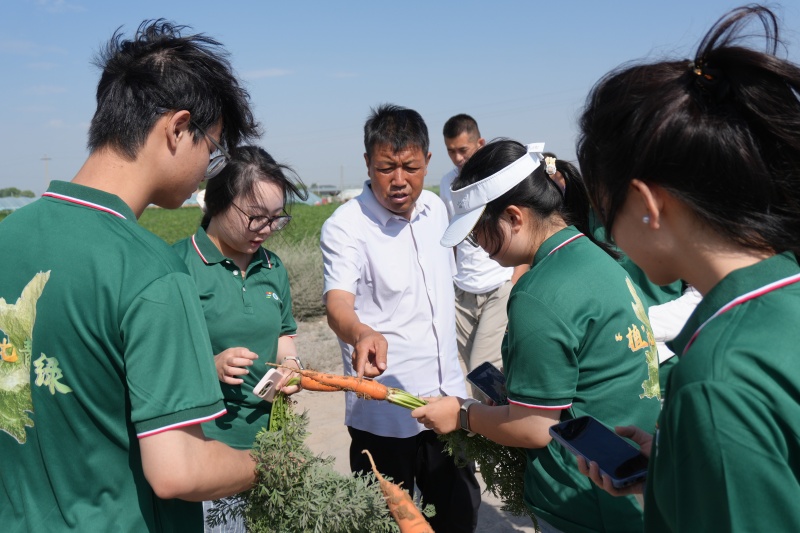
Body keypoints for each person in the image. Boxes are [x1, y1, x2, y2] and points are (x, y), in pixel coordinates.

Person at [0, 20, 262, 531]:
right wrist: (266, 465)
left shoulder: (10, 235)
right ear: (177, 128)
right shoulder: (149, 271)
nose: (209, 165)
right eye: (212, 145)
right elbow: (178, 472)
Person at [575, 5, 800, 531]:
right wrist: (682, 476)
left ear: (648, 206)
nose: (612, 239)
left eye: (606, 217)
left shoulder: (716, 381)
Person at [412, 140, 662, 532]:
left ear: (514, 216)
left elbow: (534, 428)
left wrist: (460, 414)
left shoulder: (538, 294)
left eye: (479, 232)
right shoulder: (596, 257)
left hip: (582, 499)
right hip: (628, 480)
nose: (478, 246)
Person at [320, 104, 481, 533]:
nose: (398, 180)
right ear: (367, 163)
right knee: (387, 522)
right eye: (385, 168)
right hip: (384, 414)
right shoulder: (345, 226)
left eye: (410, 167)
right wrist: (361, 332)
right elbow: (337, 303)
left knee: (459, 514)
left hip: (446, 402)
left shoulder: (436, 211)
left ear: (428, 162)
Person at [173, 146, 306, 532]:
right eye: (255, 218)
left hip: (271, 445)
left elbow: (283, 333)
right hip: (209, 447)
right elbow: (159, 362)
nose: (265, 230)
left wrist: (291, 366)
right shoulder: (179, 266)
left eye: (275, 219)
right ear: (217, 202)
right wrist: (209, 367)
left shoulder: (272, 267)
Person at [440, 114, 527, 399]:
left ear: (480, 143)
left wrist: (515, 277)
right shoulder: (446, 184)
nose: (457, 157)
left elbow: (522, 227)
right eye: (451, 150)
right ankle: (498, 427)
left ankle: (496, 432)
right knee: (477, 372)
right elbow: (452, 236)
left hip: (497, 286)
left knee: (481, 369)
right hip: (463, 290)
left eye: (463, 150)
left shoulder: (499, 179)